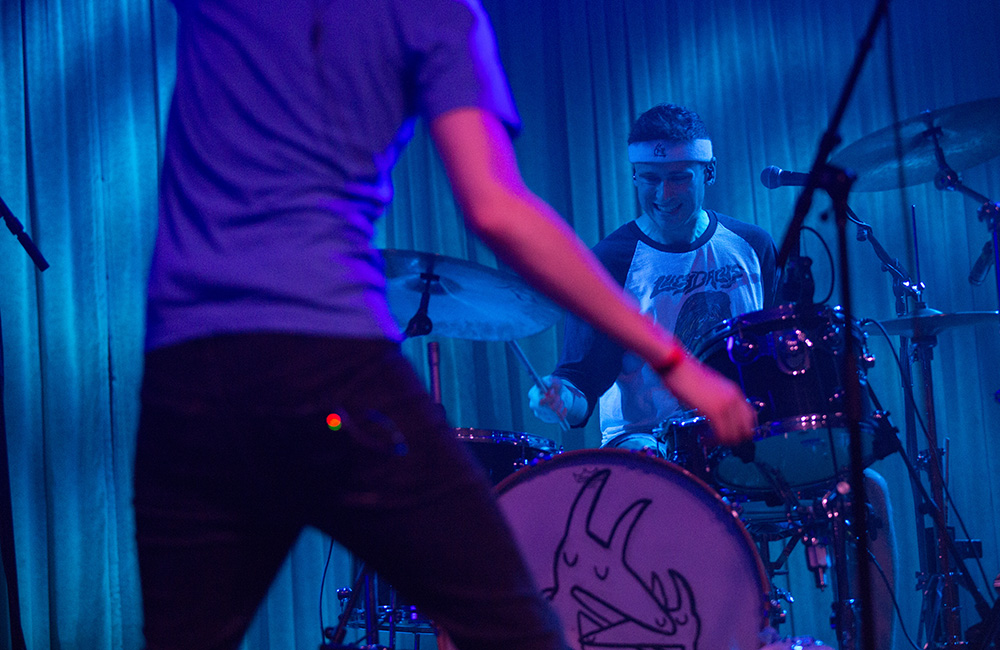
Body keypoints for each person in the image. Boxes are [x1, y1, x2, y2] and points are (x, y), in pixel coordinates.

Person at [133, 5, 756, 650]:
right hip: (328, 360)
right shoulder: (435, 11)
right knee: (516, 634)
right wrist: (675, 363)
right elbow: (496, 209)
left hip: (185, 370)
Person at [529, 103, 897, 649]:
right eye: (650, 180)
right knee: (678, 503)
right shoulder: (610, 259)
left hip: (742, 440)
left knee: (869, 489)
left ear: (709, 172)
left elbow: (779, 354)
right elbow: (583, 378)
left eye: (679, 177)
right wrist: (560, 398)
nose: (663, 194)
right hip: (651, 443)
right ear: (634, 176)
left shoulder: (752, 246)